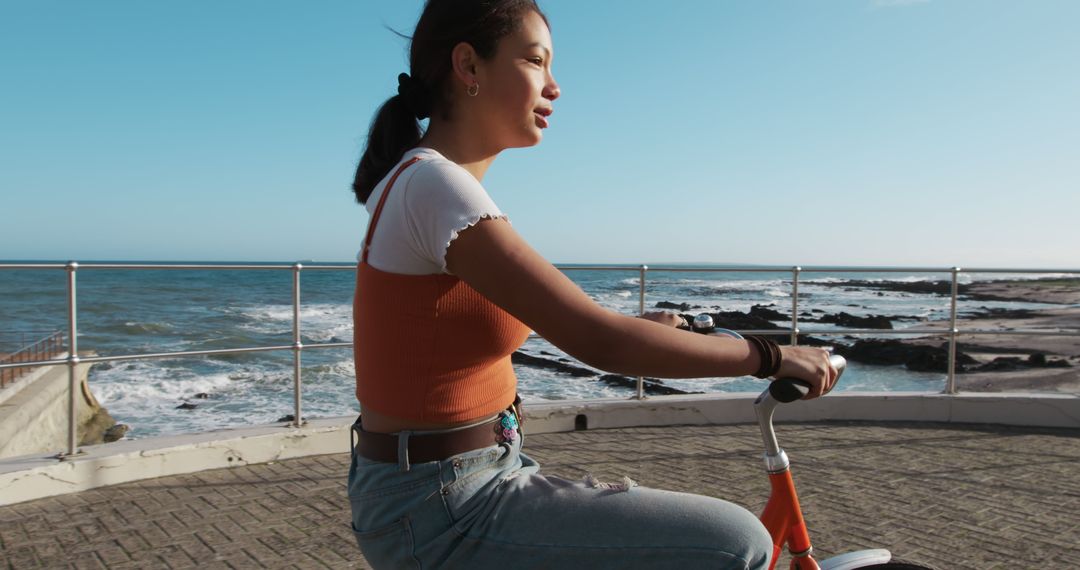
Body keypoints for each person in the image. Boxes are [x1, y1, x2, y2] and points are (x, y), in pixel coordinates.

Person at [348, 1, 837, 568]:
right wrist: (771, 356)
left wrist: (637, 330)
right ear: (469, 66)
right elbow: (596, 340)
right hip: (445, 506)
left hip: (460, 479)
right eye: (535, 61)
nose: (554, 87)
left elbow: (450, 342)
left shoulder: (426, 182)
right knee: (736, 542)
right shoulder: (435, 186)